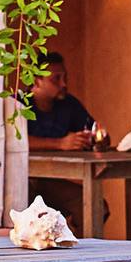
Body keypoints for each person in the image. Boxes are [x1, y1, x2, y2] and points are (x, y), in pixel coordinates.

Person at [23, 54, 96, 225]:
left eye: (65, 77)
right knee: (34, 218)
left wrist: (91, 139)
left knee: (94, 208)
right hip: (23, 181)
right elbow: (12, 141)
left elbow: (93, 130)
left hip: (54, 179)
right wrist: (61, 144)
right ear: (37, 80)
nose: (64, 84)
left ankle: (80, 249)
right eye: (56, 79)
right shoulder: (18, 104)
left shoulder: (69, 104)